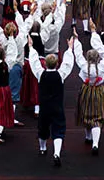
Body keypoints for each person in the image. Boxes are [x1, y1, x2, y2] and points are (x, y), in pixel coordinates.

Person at [28, 35, 76, 167]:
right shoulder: (60, 75)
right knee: (58, 129)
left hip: (44, 107)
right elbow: (68, 63)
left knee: (42, 127)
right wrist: (70, 48)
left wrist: (31, 47)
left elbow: (34, 63)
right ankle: (56, 153)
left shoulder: (40, 74)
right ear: (56, 64)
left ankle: (43, 149)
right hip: (57, 107)